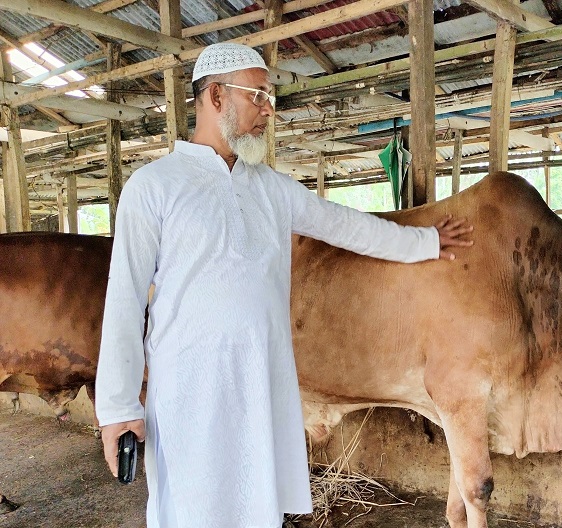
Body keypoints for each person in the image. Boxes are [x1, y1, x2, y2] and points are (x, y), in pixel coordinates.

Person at [95, 42, 473, 528]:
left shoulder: (271, 188)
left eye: (268, 97)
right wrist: (118, 406)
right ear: (215, 97)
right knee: (193, 507)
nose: (268, 110)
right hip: (190, 391)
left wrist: (426, 242)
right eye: (257, 96)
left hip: (260, 383)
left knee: (258, 505)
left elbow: (349, 227)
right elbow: (124, 298)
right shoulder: (154, 187)